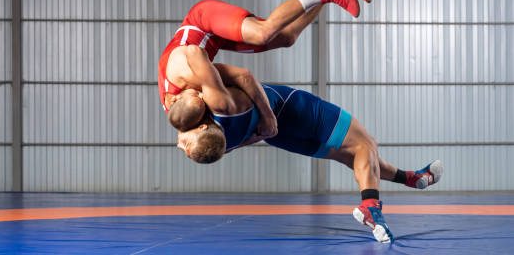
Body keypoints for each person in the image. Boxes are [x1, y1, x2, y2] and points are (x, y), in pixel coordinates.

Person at [175, 71, 444, 244]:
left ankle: (412, 178)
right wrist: (268, 117)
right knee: (366, 145)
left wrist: (266, 129)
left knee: (356, 157)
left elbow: (251, 138)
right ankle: (370, 207)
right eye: (183, 141)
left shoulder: (222, 144)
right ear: (199, 126)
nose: (178, 142)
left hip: (280, 135)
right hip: (294, 110)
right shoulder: (217, 100)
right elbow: (243, 75)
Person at [159, 0, 372, 135]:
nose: (200, 93)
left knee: (263, 33)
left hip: (202, 22)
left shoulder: (184, 69)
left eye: (194, 94)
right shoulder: (182, 113)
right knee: (287, 38)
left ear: (175, 99)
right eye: (200, 98)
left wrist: (268, 116)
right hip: (214, 42)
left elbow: (242, 76)